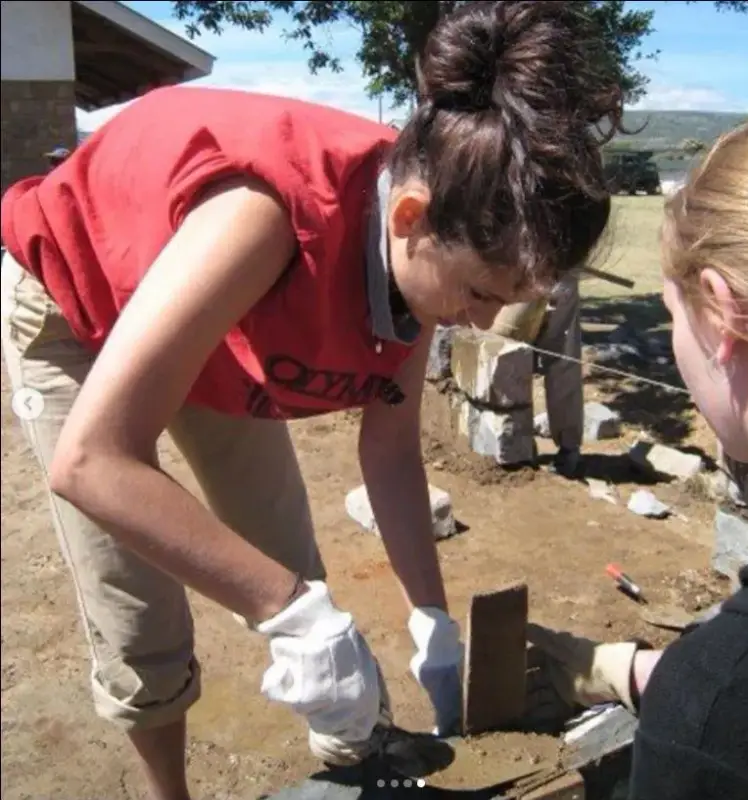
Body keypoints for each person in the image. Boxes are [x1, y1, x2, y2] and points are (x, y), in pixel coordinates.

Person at [0, 3, 624, 798]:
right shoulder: (270, 215)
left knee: (293, 568)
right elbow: (92, 462)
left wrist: (430, 618)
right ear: (408, 218)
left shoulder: (426, 253)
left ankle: (355, 757)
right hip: (77, 303)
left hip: (219, 317)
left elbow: (390, 449)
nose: (479, 321)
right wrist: (290, 615)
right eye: (478, 294)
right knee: (141, 608)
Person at [527, 111, 748, 800]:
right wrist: (639, 672)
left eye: (676, 316)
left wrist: (691, 693)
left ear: (725, 313)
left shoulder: (713, 722)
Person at [491, 272, 585, 478]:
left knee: (556, 359)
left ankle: (522, 446)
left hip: (540, 272)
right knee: (510, 346)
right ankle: (518, 445)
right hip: (530, 270)